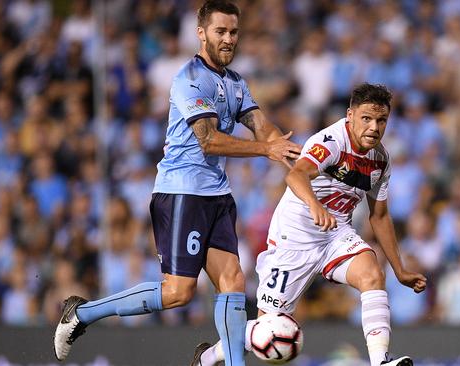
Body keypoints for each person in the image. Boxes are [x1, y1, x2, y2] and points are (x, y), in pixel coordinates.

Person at [53, 1, 301, 365]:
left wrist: (286, 152)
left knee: (232, 281)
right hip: (182, 191)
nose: (228, 39)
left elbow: (263, 126)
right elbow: (209, 139)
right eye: (221, 31)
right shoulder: (189, 78)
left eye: (233, 32)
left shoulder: (235, 82)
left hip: (217, 193)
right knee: (178, 292)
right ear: (201, 33)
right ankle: (81, 314)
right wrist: (266, 149)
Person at [194, 83, 427, 366]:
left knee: (372, 273)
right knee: (268, 329)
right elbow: (295, 176)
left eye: (381, 120)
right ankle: (207, 358)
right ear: (350, 115)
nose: (374, 127)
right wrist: (315, 206)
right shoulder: (331, 141)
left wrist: (399, 269)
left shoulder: (380, 160)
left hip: (335, 234)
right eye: (366, 118)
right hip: (295, 237)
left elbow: (379, 216)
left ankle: (380, 361)